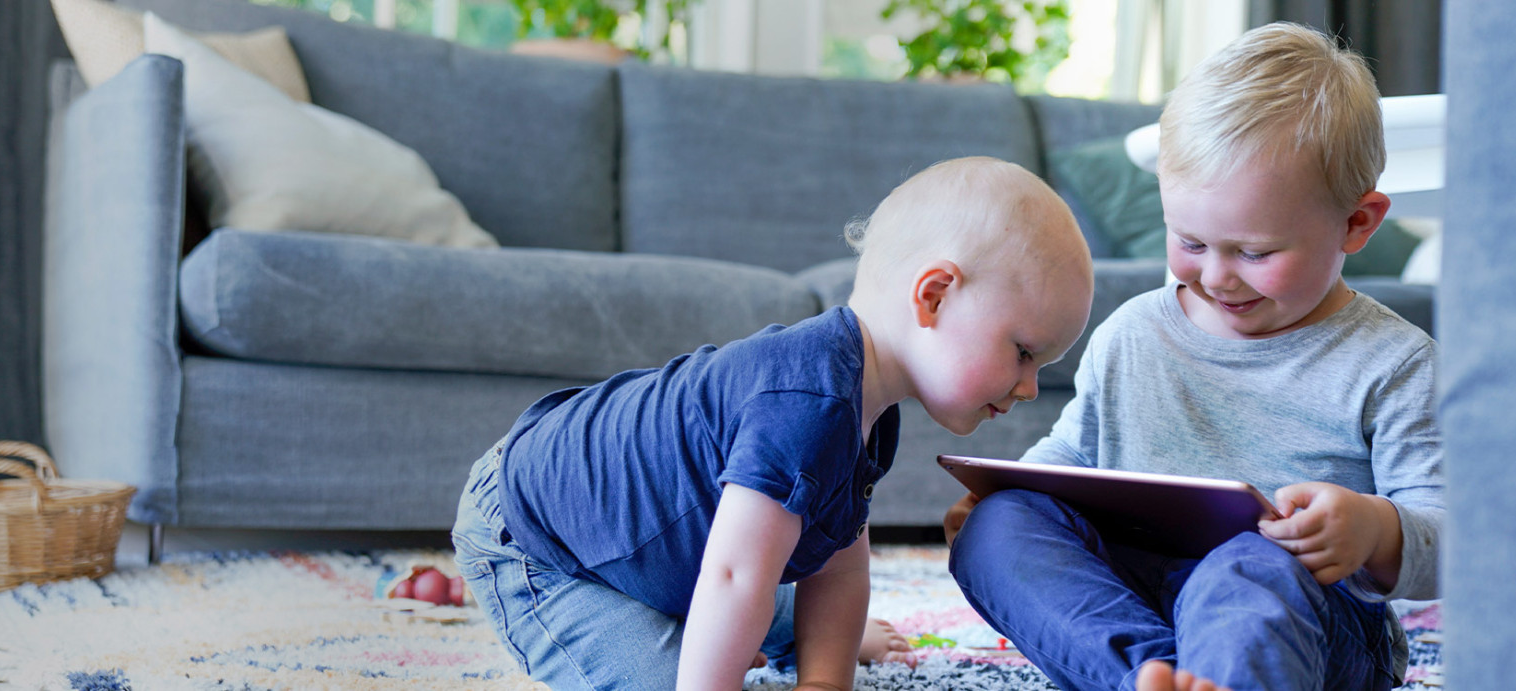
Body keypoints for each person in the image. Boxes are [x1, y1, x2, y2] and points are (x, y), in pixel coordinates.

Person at [452, 156, 1096, 690]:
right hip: (538, 541)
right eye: (1024, 352)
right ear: (932, 296)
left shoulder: (869, 411)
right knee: (687, 657)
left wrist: (825, 680)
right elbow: (733, 577)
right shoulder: (806, 401)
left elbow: (839, 568)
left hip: (669, 550)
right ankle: (686, 621)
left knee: (761, 582)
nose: (1031, 386)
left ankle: (713, 617)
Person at [945, 22, 1443, 691]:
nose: (1217, 276)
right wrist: (1001, 496)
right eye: (1190, 240)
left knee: (1248, 564)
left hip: (1311, 621)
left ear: (1358, 222)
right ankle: (1146, 677)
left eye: (1255, 252)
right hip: (1136, 607)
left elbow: (1451, 533)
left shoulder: (1395, 363)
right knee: (997, 528)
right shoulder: (1132, 332)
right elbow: (1067, 462)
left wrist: (1375, 529)